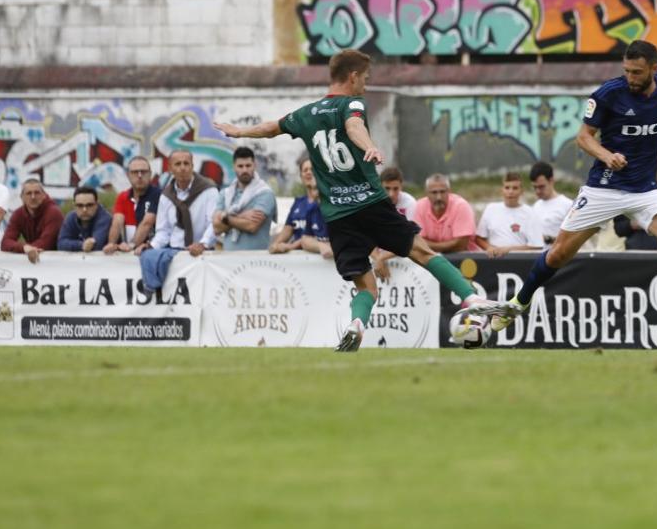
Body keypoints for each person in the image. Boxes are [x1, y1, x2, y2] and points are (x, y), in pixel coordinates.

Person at [214, 48, 512, 351]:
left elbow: (270, 128)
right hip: (369, 203)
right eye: (365, 78)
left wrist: (239, 131)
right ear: (353, 76)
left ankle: (356, 325)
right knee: (422, 252)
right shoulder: (352, 103)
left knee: (365, 286)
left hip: (338, 215)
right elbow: (353, 126)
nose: (366, 85)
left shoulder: (304, 114)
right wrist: (370, 146)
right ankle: (473, 299)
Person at [489, 40, 657, 345]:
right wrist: (606, 155)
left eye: (637, 72)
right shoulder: (608, 93)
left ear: (655, 69)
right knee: (559, 253)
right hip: (605, 188)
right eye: (626, 70)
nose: (631, 77)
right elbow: (584, 137)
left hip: (644, 191)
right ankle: (519, 302)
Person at [139, 150, 219, 296]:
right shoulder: (166, 196)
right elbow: (164, 231)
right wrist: (151, 246)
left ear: (192, 166)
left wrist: (202, 244)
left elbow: (213, 224)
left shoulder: (209, 190)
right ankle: (151, 286)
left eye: (186, 163)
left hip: (202, 255)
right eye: (178, 164)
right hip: (175, 253)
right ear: (170, 168)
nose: (182, 168)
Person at [212, 146, 277, 251]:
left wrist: (225, 217)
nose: (244, 170)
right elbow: (216, 228)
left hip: (256, 261)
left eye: (248, 165)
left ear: (254, 166)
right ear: (234, 167)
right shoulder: (225, 193)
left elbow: (251, 226)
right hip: (227, 262)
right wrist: (241, 216)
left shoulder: (265, 193)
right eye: (240, 166)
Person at [269, 156, 331, 257]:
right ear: (301, 177)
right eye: (305, 170)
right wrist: (276, 244)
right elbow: (287, 229)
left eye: (312, 169)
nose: (308, 172)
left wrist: (290, 246)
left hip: (325, 257)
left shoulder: (329, 201)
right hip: (300, 261)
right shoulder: (298, 203)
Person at [475, 172, 543, 257]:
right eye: (507, 188)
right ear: (502, 190)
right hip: (494, 261)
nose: (510, 192)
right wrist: (489, 248)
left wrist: (508, 250)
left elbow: (537, 247)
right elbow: (479, 238)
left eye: (515, 188)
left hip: (519, 262)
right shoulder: (490, 209)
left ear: (521, 191)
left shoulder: (530, 213)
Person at [103, 156, 160, 255]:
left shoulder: (158, 194)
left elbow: (147, 223)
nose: (139, 175)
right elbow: (117, 222)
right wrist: (111, 244)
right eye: (135, 172)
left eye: (143, 172)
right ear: (128, 175)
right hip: (130, 254)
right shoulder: (123, 196)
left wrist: (131, 245)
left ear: (150, 174)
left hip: (152, 250)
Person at [0, 178, 65, 263]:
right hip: (35, 261)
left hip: (57, 263)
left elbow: (46, 243)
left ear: (44, 195)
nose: (33, 197)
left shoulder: (54, 213)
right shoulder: (18, 214)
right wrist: (24, 248)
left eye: (37, 193)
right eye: (28, 193)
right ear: (22, 197)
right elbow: (5, 242)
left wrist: (26, 248)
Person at [412, 174, 478, 253]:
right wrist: (451, 244)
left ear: (449, 191)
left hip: (463, 258)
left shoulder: (461, 206)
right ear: (427, 193)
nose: (439, 197)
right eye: (434, 192)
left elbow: (461, 245)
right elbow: (417, 242)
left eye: (442, 192)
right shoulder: (419, 206)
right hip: (431, 258)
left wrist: (428, 246)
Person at [529, 161, 573, 245]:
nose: (537, 191)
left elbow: (574, 239)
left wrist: (548, 239)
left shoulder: (568, 205)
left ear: (551, 181)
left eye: (541, 186)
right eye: (535, 187)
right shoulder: (535, 206)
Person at [57, 186, 112, 252]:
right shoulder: (70, 217)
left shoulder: (105, 218)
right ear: (74, 205)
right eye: (80, 205)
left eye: (89, 205)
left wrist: (78, 245)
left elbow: (97, 245)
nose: (84, 210)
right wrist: (81, 245)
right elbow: (61, 244)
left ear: (97, 204)